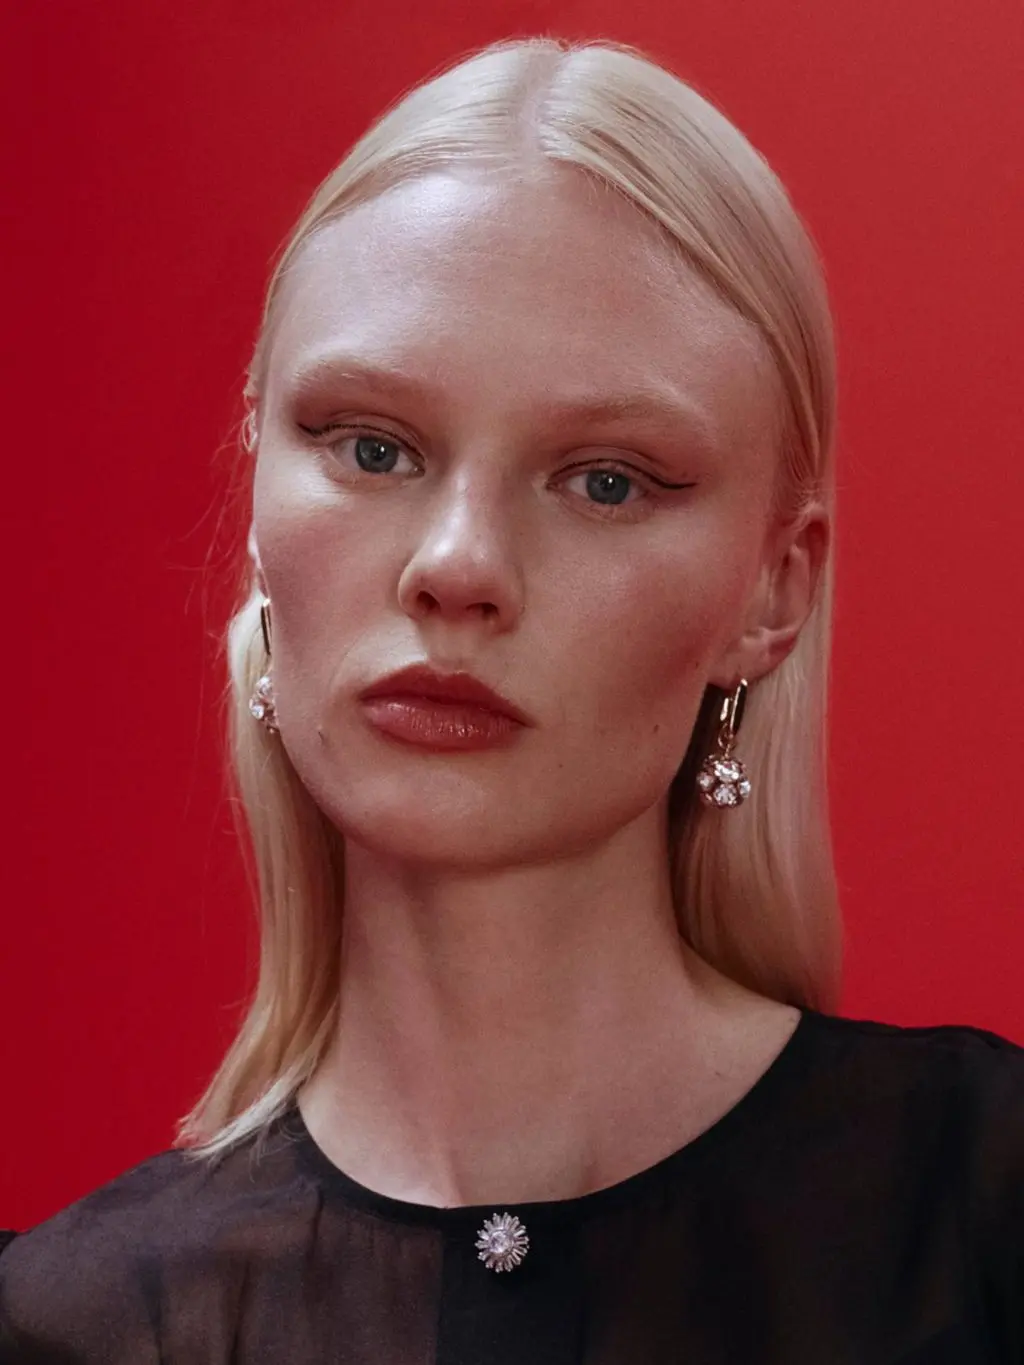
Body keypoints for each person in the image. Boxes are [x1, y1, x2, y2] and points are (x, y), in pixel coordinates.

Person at [2, 34, 1022, 1365]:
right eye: (373, 448)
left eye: (606, 479)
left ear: (774, 591)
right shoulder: (68, 1330)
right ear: (258, 506)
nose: (459, 567)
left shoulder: (983, 1212)